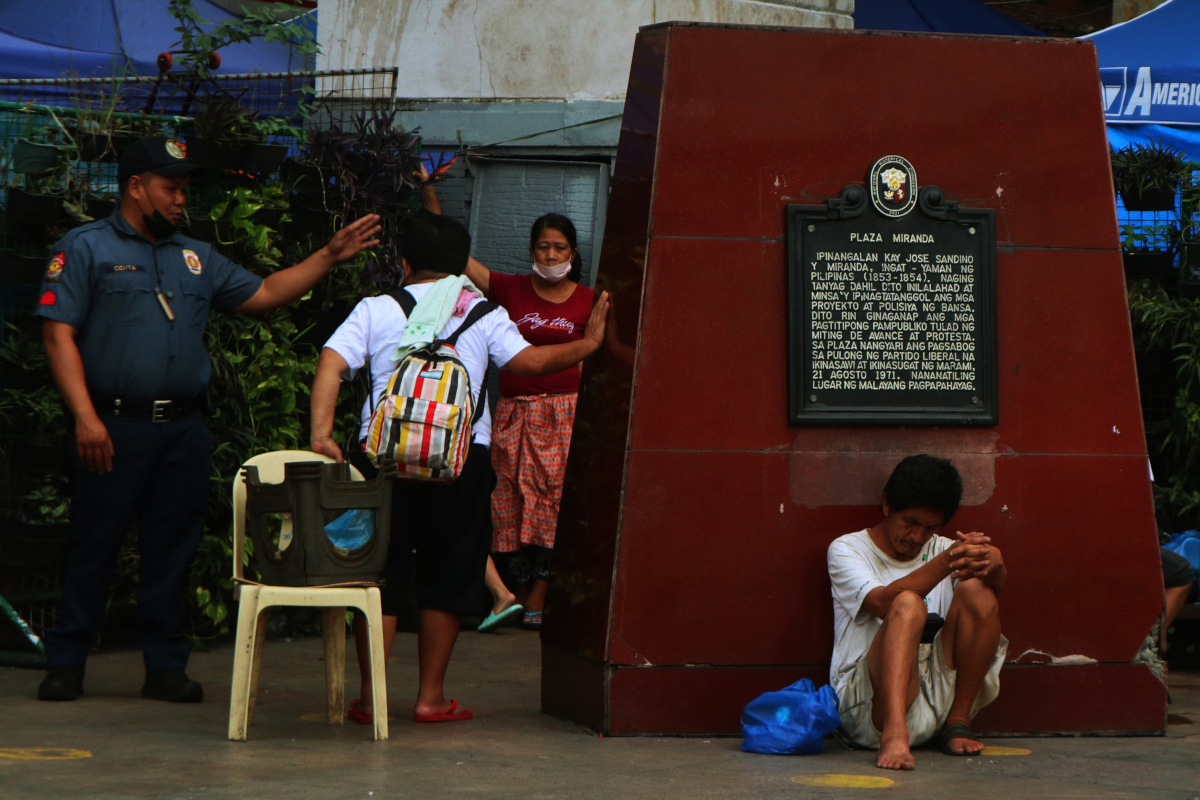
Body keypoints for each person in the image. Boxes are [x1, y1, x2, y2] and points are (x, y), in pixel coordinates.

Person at [34, 136, 381, 703]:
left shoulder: (194, 256)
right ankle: (67, 662)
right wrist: (86, 418)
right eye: (170, 188)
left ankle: (165, 666)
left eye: (183, 190)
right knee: (95, 543)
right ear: (136, 186)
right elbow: (57, 335)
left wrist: (329, 255)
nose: (179, 200)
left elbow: (265, 292)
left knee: (173, 548)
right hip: (113, 427)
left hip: (183, 432)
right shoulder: (86, 248)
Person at [309, 212, 609, 724]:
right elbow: (530, 364)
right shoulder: (483, 312)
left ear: (404, 263)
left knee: (380, 576)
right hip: (459, 460)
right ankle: (429, 699)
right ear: (459, 271)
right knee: (447, 576)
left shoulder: (377, 308)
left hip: (381, 460)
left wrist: (321, 436)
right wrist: (590, 344)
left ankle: (369, 698)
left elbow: (332, 365)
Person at [826, 454, 1008, 771]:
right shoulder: (847, 549)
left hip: (935, 700)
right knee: (907, 602)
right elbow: (882, 602)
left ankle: (958, 721)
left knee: (979, 590)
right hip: (870, 713)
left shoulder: (943, 549)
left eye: (930, 528)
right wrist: (947, 562)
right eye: (910, 522)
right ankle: (895, 733)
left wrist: (994, 564)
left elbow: (993, 589)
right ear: (887, 505)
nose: (917, 537)